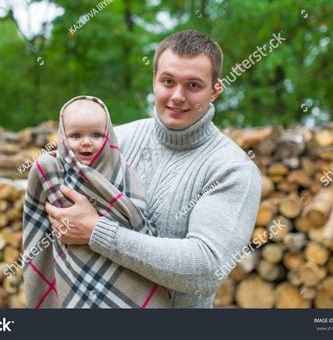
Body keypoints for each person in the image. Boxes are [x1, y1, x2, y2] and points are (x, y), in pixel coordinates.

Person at [45, 30, 263, 308]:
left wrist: (97, 232)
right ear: (154, 81)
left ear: (215, 90)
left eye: (193, 85)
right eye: (168, 81)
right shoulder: (113, 141)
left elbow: (206, 269)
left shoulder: (232, 169)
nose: (177, 96)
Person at [23, 95, 170, 308]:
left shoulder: (122, 170)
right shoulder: (52, 171)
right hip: (75, 271)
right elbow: (36, 225)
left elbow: (136, 217)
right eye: (75, 135)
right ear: (63, 138)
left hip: (124, 268)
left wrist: (101, 225)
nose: (86, 142)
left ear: (108, 135)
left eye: (96, 135)